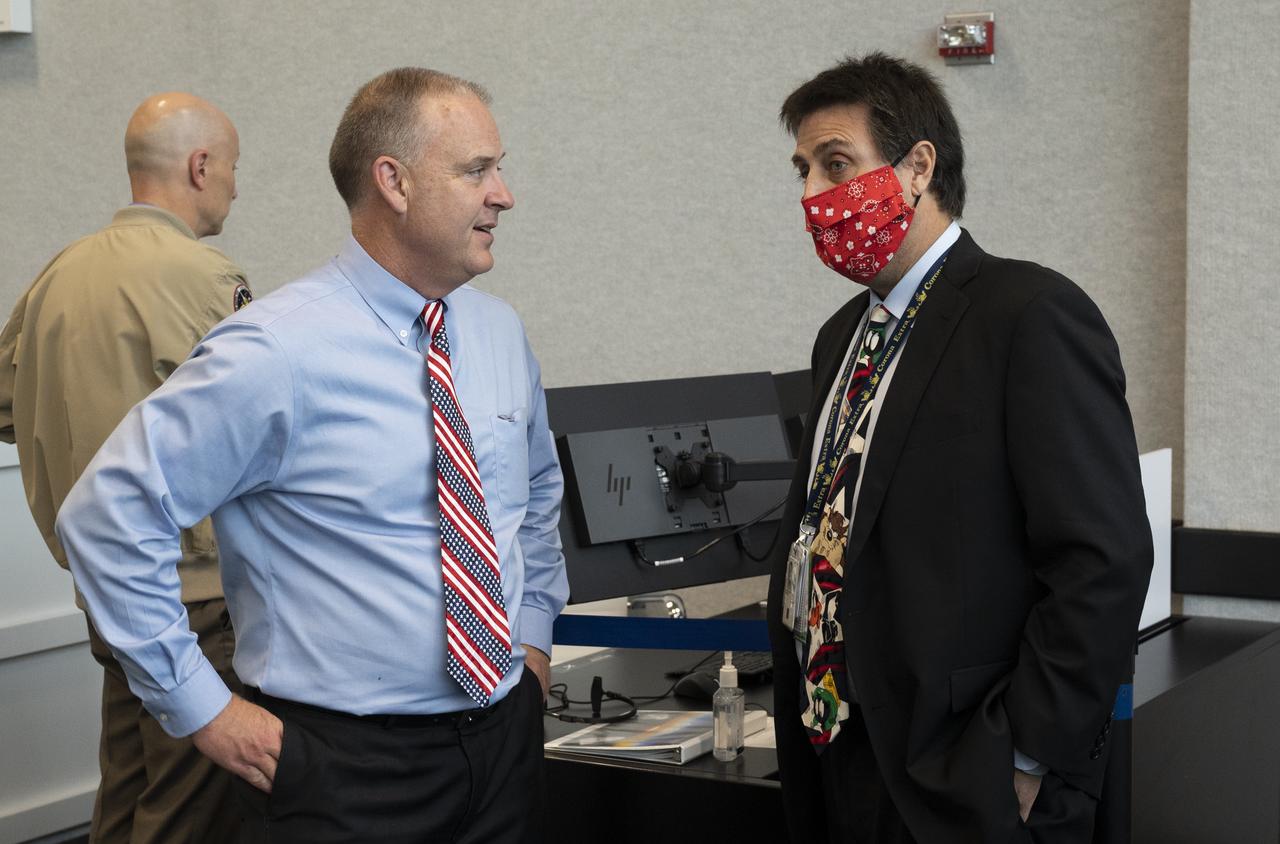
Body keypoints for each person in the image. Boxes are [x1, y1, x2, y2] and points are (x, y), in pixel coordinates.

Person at [54, 67, 567, 844]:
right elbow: (108, 516)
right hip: (342, 770)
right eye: (476, 170)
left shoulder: (497, 333)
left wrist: (531, 639)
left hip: (503, 743)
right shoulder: (275, 350)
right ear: (393, 182)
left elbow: (532, 495)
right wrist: (203, 707)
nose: (505, 194)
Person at [766, 54, 1153, 843]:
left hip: (966, 774)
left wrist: (1027, 756)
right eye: (802, 170)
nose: (812, 196)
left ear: (917, 167)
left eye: (836, 164)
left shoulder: (1030, 314)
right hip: (841, 752)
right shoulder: (842, 335)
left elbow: (1101, 559)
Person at [0, 92, 247, 844]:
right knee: (191, 807)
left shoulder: (57, 276)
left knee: (127, 787)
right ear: (201, 166)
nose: (237, 187)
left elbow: (6, 406)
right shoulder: (205, 277)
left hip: (106, 587)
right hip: (196, 593)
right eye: (234, 169)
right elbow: (263, 428)